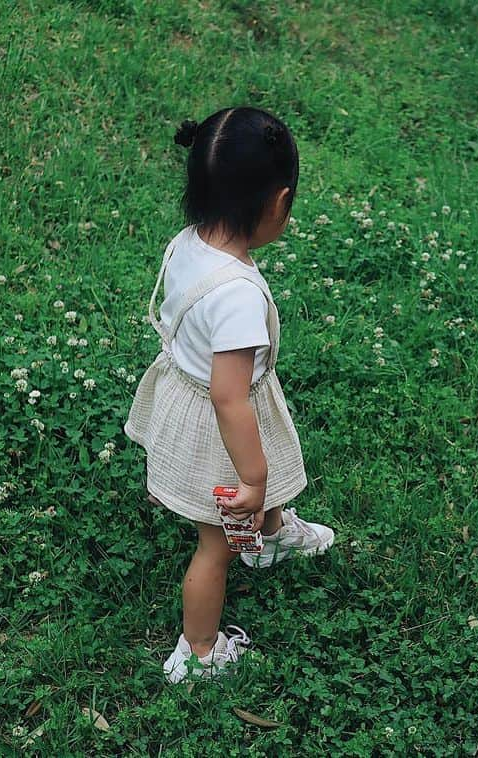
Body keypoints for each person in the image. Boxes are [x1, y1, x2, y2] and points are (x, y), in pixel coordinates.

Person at [125, 107, 335, 684]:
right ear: (278, 203)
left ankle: (268, 536)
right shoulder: (238, 295)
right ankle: (198, 652)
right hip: (221, 425)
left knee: (244, 505)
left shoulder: (190, 242)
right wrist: (253, 475)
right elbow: (230, 398)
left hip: (187, 396)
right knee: (215, 545)